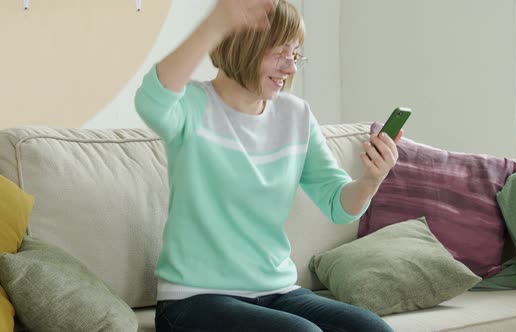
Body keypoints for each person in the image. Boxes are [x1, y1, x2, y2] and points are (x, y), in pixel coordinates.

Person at [135, 0, 402, 331]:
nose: (290, 69)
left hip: (277, 291)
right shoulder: (192, 107)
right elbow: (150, 100)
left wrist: (371, 180)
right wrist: (215, 24)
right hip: (194, 299)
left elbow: (338, 205)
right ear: (243, 46)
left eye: (295, 55)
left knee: (372, 329)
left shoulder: (296, 116)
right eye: (280, 53)